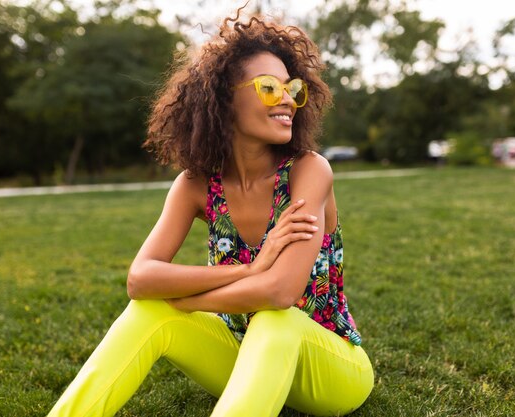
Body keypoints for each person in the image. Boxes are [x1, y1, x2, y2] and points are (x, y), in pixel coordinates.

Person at [48, 8, 374, 417]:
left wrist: (186, 302)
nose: (288, 99)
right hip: (242, 358)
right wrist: (249, 270)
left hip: (330, 370)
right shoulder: (196, 184)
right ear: (223, 98)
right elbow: (141, 278)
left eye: (292, 88)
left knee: (276, 318)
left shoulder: (309, 170)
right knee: (148, 309)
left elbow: (280, 291)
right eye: (270, 87)